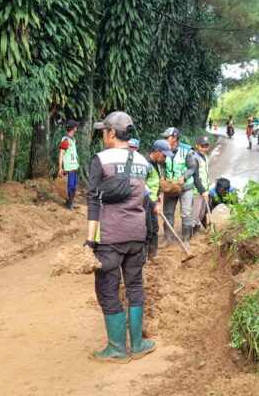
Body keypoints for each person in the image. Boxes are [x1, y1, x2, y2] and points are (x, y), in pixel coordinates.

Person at [86, 111, 154, 363]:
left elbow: (93, 200)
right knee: (134, 286)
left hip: (109, 238)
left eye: (104, 131)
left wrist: (90, 241)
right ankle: (137, 345)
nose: (102, 135)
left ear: (112, 133)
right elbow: (143, 198)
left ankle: (116, 348)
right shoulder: (142, 161)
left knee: (108, 289)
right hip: (137, 235)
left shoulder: (101, 159)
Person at [160, 127, 195, 247]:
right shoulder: (164, 150)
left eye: (167, 137)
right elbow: (163, 165)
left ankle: (185, 240)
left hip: (185, 187)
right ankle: (167, 239)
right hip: (170, 187)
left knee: (186, 213)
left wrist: (184, 177)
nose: (165, 139)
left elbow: (192, 167)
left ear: (175, 138)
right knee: (168, 212)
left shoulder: (187, 150)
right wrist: (163, 176)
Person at [144, 140, 173, 258]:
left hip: (153, 201)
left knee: (155, 228)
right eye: (163, 155)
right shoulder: (145, 164)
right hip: (145, 202)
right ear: (156, 151)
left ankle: (153, 254)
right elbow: (140, 186)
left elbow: (155, 184)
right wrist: (152, 203)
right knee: (148, 230)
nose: (165, 158)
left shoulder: (156, 163)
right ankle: (144, 256)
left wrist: (158, 200)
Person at [189, 136, 211, 234]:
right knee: (195, 214)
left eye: (206, 146)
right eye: (202, 146)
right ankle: (189, 234)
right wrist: (202, 191)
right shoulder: (194, 158)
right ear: (196, 145)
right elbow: (195, 177)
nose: (204, 149)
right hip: (197, 191)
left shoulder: (205, 156)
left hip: (205, 190)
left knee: (201, 213)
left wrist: (206, 190)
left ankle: (196, 230)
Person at [58, 119, 80, 210]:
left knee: (74, 186)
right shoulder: (66, 140)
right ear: (73, 128)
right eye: (76, 126)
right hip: (69, 168)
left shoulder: (72, 140)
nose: (77, 127)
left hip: (74, 167)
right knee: (70, 186)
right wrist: (60, 168)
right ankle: (69, 204)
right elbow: (61, 154)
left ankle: (71, 202)